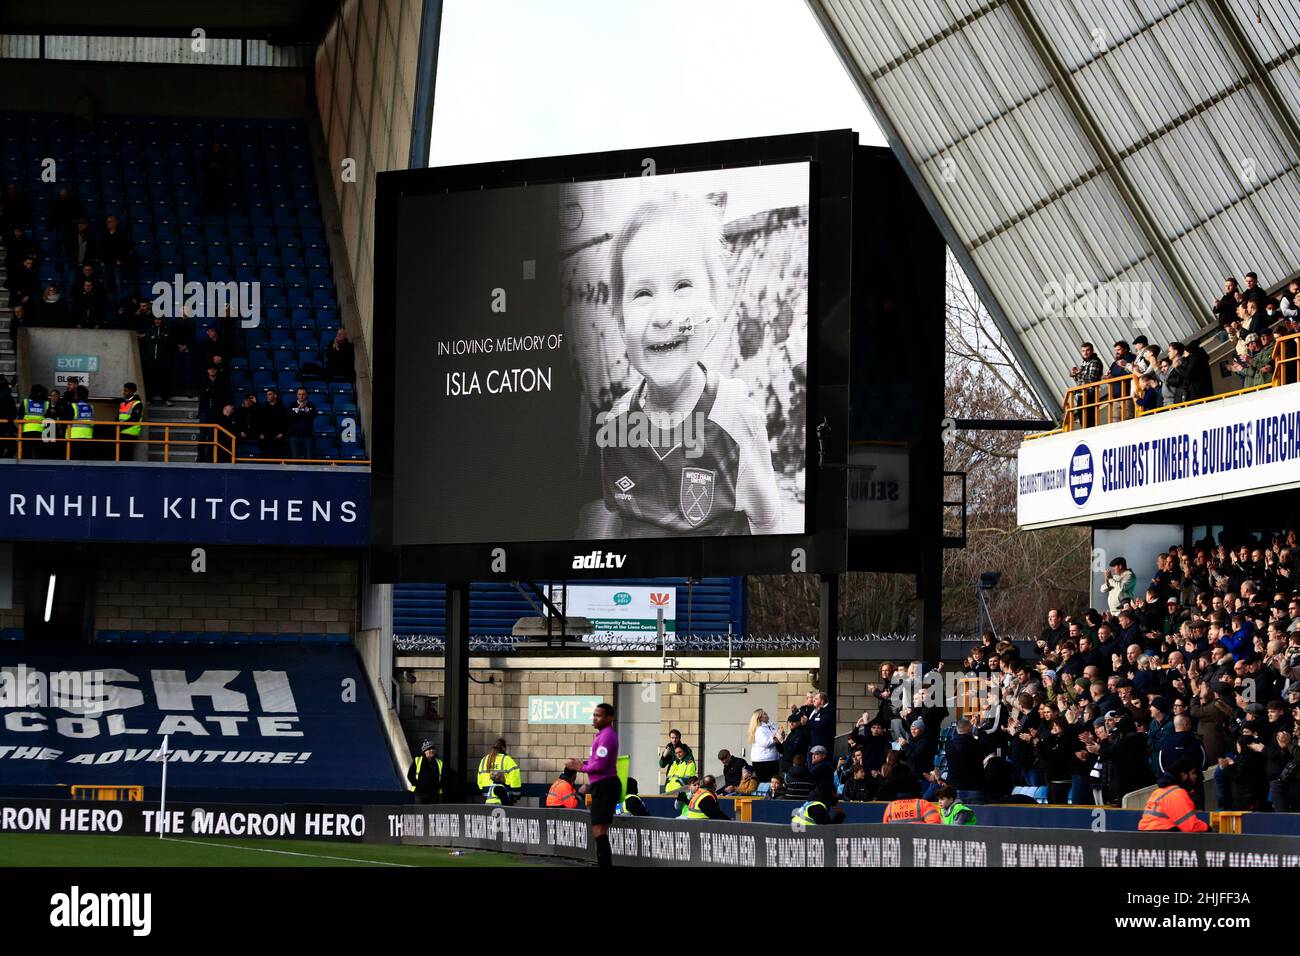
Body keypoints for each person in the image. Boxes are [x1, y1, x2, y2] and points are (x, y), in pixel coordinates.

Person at [577, 189, 781, 538]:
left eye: (682, 286)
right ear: (620, 319)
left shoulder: (736, 419)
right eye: (643, 293)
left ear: (713, 304)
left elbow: (767, 526)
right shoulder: (613, 426)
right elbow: (604, 524)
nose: (663, 316)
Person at [565, 701, 619, 868]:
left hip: (605, 785)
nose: (594, 718)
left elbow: (600, 766)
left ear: (609, 718)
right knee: (599, 830)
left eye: (598, 715)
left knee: (599, 830)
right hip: (603, 785)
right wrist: (584, 764)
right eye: (594, 715)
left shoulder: (607, 736)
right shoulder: (603, 735)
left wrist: (581, 767)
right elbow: (598, 762)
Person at [1138, 759, 1209, 831]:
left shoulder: (1159, 791)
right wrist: (1209, 829)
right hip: (1163, 834)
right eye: (1193, 773)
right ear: (1184, 775)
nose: (1196, 776)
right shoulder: (1177, 793)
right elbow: (1190, 826)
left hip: (1147, 833)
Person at [140, 314, 173, 406]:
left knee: (164, 380)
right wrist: (159, 338)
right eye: (156, 319)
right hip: (150, 360)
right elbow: (147, 340)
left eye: (159, 319)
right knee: (149, 380)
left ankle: (165, 399)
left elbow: (168, 342)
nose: (157, 321)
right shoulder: (149, 329)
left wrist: (155, 338)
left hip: (163, 360)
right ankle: (149, 399)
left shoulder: (167, 329)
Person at [746, 708, 782, 782]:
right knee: (766, 782)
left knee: (773, 781)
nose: (767, 714)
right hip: (763, 761)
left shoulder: (771, 726)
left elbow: (778, 737)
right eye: (764, 714)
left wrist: (781, 734)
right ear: (760, 718)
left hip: (772, 758)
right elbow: (765, 743)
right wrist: (776, 737)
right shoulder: (759, 729)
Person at [254, 387, 290, 459]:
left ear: (275, 395)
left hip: (278, 438)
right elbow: (258, 422)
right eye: (267, 395)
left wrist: (282, 433)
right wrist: (260, 433)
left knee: (278, 457)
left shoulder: (282, 408)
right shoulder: (263, 408)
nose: (268, 396)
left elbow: (286, 422)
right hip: (265, 438)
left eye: (270, 394)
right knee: (264, 458)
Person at [406, 740, 442, 805]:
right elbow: (410, 775)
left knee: (433, 814)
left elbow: (444, 777)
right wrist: (418, 785)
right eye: (429, 749)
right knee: (420, 812)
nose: (432, 750)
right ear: (424, 751)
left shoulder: (439, 762)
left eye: (433, 748)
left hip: (434, 795)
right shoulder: (417, 760)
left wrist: (438, 786)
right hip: (420, 794)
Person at [19, 384, 49, 460]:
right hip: (41, 432)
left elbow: (20, 416)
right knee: (39, 454)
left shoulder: (26, 402)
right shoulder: (46, 404)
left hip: (27, 432)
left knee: (26, 454)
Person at [287, 386, 318, 459]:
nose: (301, 396)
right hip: (294, 436)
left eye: (303, 394)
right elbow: (290, 416)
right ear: (297, 395)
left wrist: (306, 408)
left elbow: (314, 415)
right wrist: (298, 408)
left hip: (307, 437)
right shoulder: (292, 405)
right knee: (294, 459)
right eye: (299, 394)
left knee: (309, 458)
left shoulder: (311, 405)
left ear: (306, 395)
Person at [116, 382, 144, 461]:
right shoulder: (123, 403)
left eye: (126, 391)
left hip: (130, 433)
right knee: (121, 455)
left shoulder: (137, 404)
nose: (124, 393)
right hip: (121, 432)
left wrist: (122, 426)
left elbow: (135, 418)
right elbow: (118, 417)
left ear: (132, 392)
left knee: (127, 455)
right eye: (124, 390)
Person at [68, 385, 94, 460]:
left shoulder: (73, 406)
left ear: (78, 395)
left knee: (74, 463)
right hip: (88, 438)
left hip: (74, 438)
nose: (74, 395)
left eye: (75, 393)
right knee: (85, 463)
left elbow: (67, 421)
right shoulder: (91, 407)